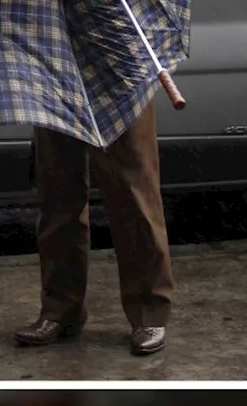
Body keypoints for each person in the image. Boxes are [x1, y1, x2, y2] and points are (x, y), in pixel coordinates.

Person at [14, 101, 174, 356]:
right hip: (54, 73)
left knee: (133, 196)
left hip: (118, 73)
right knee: (57, 192)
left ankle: (149, 312)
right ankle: (61, 309)